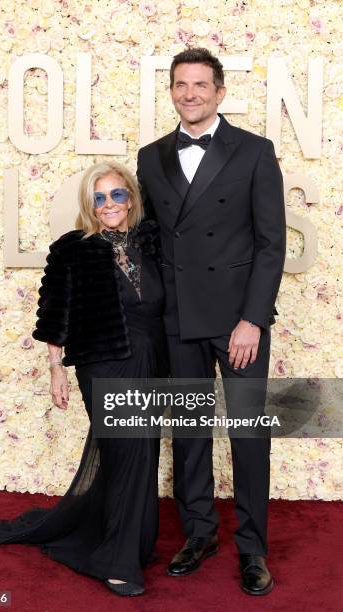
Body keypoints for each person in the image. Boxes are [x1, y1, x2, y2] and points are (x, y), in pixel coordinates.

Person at [0, 161, 169, 597]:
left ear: (130, 198)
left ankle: (130, 543)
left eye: (117, 195)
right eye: (99, 198)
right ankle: (119, 562)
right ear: (89, 205)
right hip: (104, 362)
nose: (109, 204)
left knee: (143, 455)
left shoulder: (151, 242)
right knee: (126, 453)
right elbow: (53, 316)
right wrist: (56, 369)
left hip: (152, 361)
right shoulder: (72, 249)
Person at [136, 47, 286, 595]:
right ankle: (199, 533)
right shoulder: (150, 156)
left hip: (237, 320)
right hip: (179, 318)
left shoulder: (253, 150)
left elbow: (271, 244)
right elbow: (150, 240)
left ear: (220, 92)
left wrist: (252, 319)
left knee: (248, 437)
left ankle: (253, 549)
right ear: (172, 91)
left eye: (201, 85)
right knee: (190, 434)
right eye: (181, 85)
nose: (190, 94)